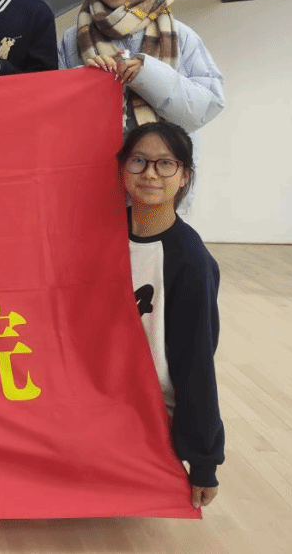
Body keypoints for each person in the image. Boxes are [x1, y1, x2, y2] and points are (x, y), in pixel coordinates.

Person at [118, 122, 224, 510]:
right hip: (97, 392)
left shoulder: (190, 261)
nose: (150, 173)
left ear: (184, 177)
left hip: (149, 409)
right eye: (139, 161)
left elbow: (196, 363)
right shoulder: (101, 234)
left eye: (165, 164)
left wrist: (204, 462)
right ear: (122, 169)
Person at [58, 0, 224, 133]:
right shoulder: (72, 38)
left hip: (161, 153)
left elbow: (206, 109)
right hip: (93, 152)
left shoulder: (180, 34)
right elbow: (56, 110)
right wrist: (86, 79)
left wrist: (148, 75)